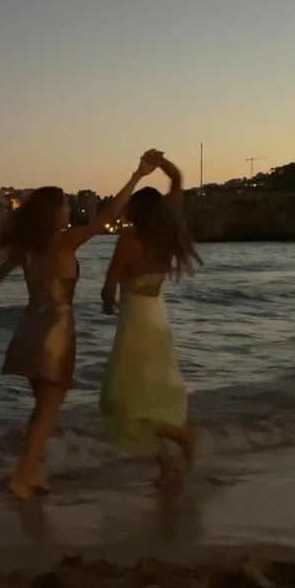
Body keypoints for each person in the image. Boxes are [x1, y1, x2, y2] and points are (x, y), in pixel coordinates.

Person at [0, 154, 158, 499]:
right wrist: (136, 176)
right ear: (54, 212)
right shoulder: (65, 240)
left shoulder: (28, 246)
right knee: (48, 411)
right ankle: (21, 479)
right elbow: (108, 217)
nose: (69, 209)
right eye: (65, 205)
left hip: (27, 331)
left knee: (41, 408)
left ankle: (33, 473)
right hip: (54, 333)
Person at [100, 151, 201, 488]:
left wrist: (106, 305)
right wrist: (162, 163)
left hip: (135, 326)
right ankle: (167, 468)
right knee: (147, 395)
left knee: (123, 399)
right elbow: (178, 181)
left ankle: (182, 436)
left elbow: (109, 285)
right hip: (157, 317)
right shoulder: (165, 236)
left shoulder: (129, 239)